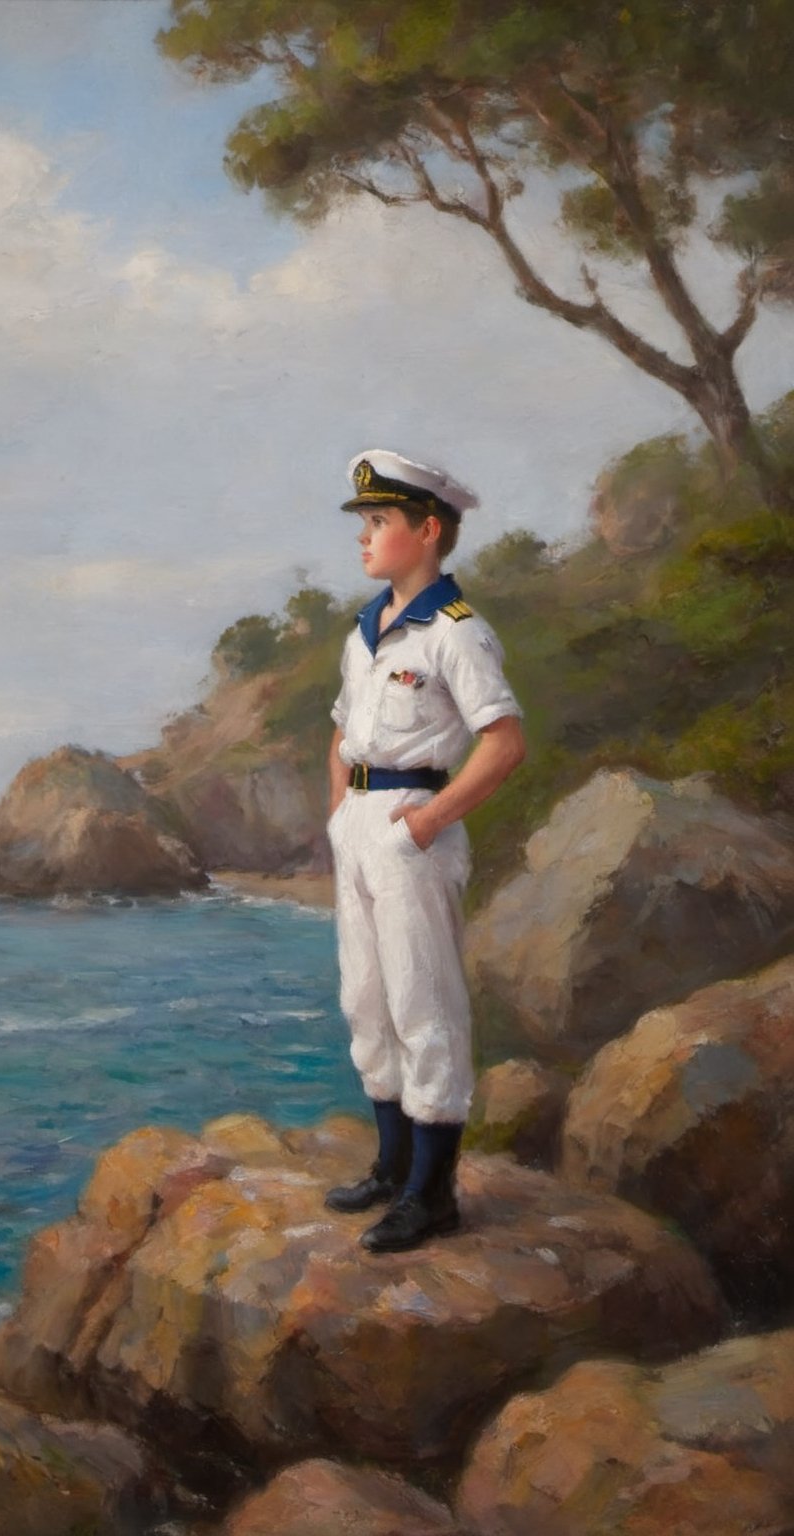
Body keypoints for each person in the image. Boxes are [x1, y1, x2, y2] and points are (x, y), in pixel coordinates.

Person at [325, 449, 526, 1253]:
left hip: (415, 824)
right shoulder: (366, 630)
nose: (365, 538)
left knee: (423, 1006)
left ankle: (432, 1194)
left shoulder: (457, 633)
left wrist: (430, 821)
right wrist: (341, 816)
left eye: (380, 523)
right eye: (365, 523)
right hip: (362, 826)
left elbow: (504, 743)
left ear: (429, 530)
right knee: (366, 1001)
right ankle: (392, 1164)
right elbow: (342, 729)